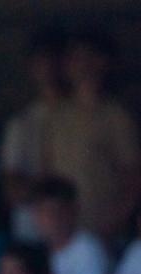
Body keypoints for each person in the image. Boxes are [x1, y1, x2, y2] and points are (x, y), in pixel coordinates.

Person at [45, 29, 140, 246]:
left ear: (102, 61)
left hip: (104, 234)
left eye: (84, 56)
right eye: (73, 57)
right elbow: (48, 171)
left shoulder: (116, 117)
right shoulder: (57, 115)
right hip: (63, 235)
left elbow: (134, 179)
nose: (77, 63)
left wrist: (112, 225)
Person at [1, 29, 68, 241]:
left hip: (79, 234)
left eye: (53, 59)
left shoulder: (89, 117)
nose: (47, 67)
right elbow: (12, 189)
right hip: (32, 235)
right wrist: (42, 187)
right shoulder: (21, 122)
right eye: (40, 60)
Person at [30, 177, 111, 274]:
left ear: (73, 211)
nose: (51, 219)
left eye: (57, 211)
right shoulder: (38, 250)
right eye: (43, 211)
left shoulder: (88, 249)